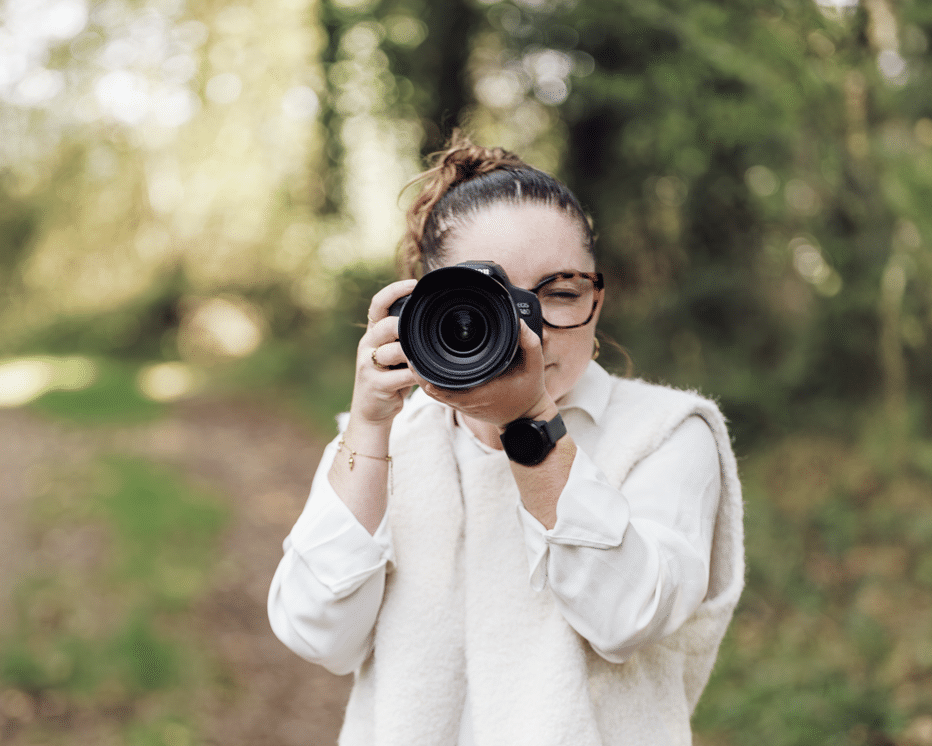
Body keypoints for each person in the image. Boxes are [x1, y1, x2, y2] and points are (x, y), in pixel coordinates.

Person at [268, 133, 744, 746]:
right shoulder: (387, 442)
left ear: (597, 301)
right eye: (489, 304)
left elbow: (627, 618)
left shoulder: (669, 435)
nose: (531, 333)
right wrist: (369, 423)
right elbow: (318, 634)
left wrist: (529, 423)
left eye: (560, 293)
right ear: (424, 302)